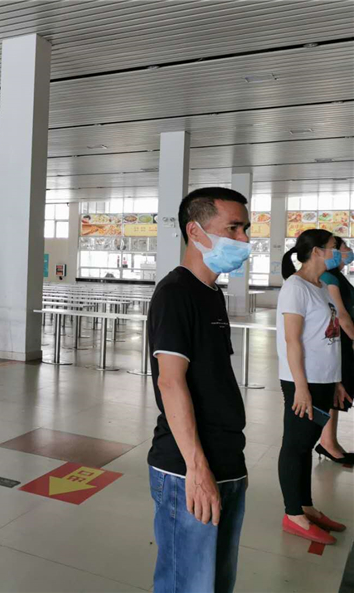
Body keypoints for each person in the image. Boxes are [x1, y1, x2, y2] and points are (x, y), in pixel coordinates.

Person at [146, 187, 251, 593]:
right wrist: (197, 467)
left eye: (245, 228)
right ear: (195, 231)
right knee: (187, 583)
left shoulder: (212, 294)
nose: (244, 239)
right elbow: (170, 381)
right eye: (233, 228)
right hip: (187, 467)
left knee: (216, 582)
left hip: (226, 460)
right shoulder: (176, 293)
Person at [276, 229, 351, 544]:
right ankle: (293, 514)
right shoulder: (295, 287)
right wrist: (301, 387)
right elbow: (292, 341)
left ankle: (306, 506)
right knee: (295, 446)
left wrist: (337, 381)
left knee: (306, 444)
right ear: (317, 251)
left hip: (324, 379)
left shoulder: (321, 286)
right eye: (335, 247)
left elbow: (329, 337)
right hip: (303, 381)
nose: (340, 252)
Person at [314, 236, 354, 464]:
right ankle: (327, 442)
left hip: (343, 340)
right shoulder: (329, 277)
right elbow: (341, 313)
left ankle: (330, 441)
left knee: (339, 392)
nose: (348, 251)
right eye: (344, 247)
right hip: (339, 340)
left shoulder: (337, 276)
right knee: (336, 391)